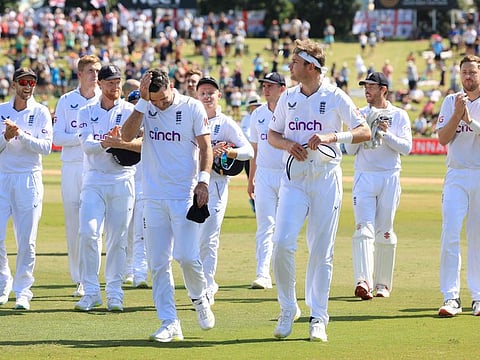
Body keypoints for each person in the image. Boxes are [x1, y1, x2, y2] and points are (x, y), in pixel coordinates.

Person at [267, 39, 371, 342]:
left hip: (326, 178)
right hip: (294, 180)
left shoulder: (335, 95)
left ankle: (318, 317)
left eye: (294, 63)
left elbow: (363, 131)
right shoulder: (288, 97)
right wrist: (289, 144)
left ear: (310, 66)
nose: (289, 67)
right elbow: (273, 134)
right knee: (283, 243)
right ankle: (288, 308)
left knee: (321, 250)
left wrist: (331, 137)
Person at [121, 69, 215, 342]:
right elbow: (127, 136)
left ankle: (199, 298)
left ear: (171, 86)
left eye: (163, 99)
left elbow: (206, 147)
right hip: (152, 196)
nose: (160, 105)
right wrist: (142, 101)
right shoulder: (145, 106)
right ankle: (169, 321)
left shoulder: (192, 107)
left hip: (184, 194)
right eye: (155, 101)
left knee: (186, 257)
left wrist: (204, 181)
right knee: (158, 263)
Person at [74, 64, 140, 313]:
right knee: (89, 233)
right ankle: (91, 292)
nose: (115, 86)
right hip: (94, 179)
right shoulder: (86, 111)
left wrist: (122, 142)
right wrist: (108, 141)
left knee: (118, 238)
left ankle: (114, 292)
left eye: (118, 82)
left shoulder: (130, 111)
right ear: (100, 84)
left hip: (122, 178)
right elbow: (87, 146)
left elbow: (139, 142)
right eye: (110, 82)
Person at [344, 72, 412, 300]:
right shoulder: (359, 114)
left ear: (383, 89)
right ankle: (363, 281)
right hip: (364, 177)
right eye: (365, 86)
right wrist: (366, 130)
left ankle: (383, 284)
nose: (367, 90)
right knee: (363, 229)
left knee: (384, 231)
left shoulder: (399, 115)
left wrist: (383, 133)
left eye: (371, 86)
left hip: (389, 177)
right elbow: (350, 151)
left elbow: (406, 148)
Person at [196, 76, 254, 304]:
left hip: (216, 184)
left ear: (219, 95)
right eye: (203, 93)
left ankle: (207, 286)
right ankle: (198, 284)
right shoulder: (191, 119)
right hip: (191, 183)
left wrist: (227, 153)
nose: (207, 96)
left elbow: (248, 151)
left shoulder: (226, 123)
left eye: (211, 92)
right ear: (197, 96)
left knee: (209, 238)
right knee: (191, 240)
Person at [0, 67, 53, 310]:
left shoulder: (41, 111)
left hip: (28, 179)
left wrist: (19, 134)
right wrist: (5, 137)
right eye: (23, 82)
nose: (27, 86)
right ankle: (4, 284)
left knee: (27, 240)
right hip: (3, 178)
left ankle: (23, 291)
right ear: (14, 85)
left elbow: (46, 147)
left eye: (31, 82)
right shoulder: (1, 111)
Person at [53, 55, 101, 297]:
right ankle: (79, 278)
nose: (95, 75)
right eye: (91, 71)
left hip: (97, 167)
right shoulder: (66, 101)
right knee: (74, 225)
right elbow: (56, 137)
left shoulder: (106, 101)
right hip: (71, 166)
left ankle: (93, 277)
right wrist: (82, 137)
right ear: (80, 74)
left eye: (97, 71)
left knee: (92, 227)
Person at [436, 55, 480, 317]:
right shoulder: (451, 101)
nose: (467, 77)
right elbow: (442, 138)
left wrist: (469, 119)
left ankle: (478, 295)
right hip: (456, 174)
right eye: (464, 72)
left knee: (477, 238)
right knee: (450, 233)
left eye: (472, 73)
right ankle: (451, 297)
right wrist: (456, 114)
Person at [247, 72, 286, 290]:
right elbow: (254, 150)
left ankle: (281, 272)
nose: (266, 89)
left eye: (270, 85)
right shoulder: (258, 114)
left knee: (283, 228)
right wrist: (251, 180)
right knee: (265, 225)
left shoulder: (291, 112)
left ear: (282, 88)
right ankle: (262, 273)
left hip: (287, 175)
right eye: (264, 85)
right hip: (263, 175)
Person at [240, 93, 262, 212]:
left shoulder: (263, 115)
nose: (255, 108)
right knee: (252, 179)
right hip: (250, 154)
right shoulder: (246, 119)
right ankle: (254, 201)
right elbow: (246, 135)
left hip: (262, 153)